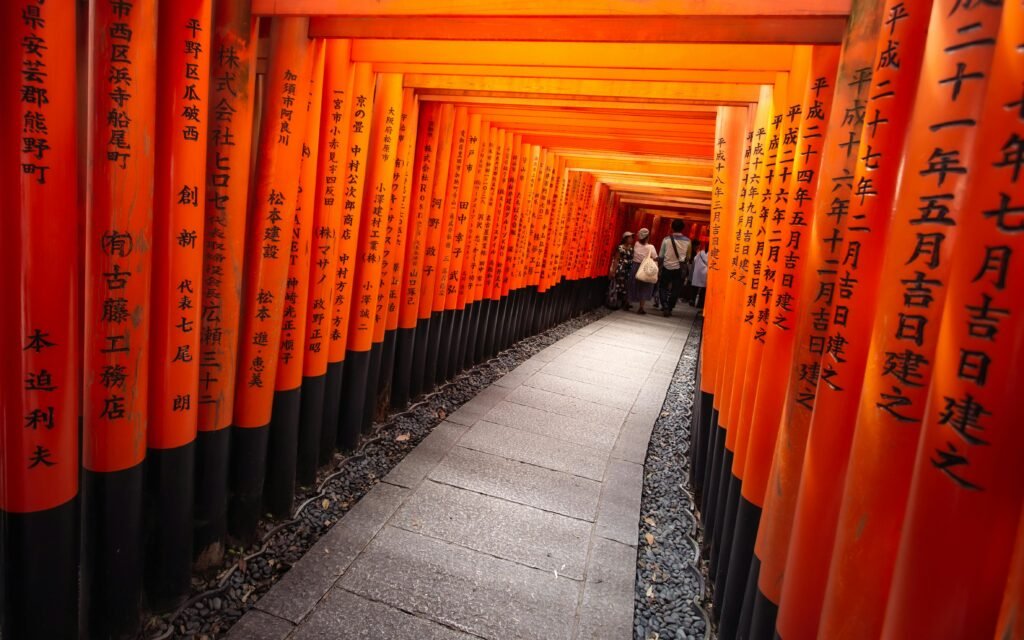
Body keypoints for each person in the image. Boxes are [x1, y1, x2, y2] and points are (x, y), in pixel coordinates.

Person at [657, 219, 692, 317]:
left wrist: (659, 267)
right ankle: (670, 307)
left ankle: (664, 305)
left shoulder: (666, 239)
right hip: (679, 269)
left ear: (672, 227)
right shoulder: (688, 241)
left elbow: (661, 255)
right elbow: (688, 257)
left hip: (666, 267)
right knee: (676, 289)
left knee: (663, 287)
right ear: (683, 229)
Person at [628, 228, 658, 315]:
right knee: (645, 287)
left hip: (635, 266)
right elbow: (655, 257)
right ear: (648, 237)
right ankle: (641, 308)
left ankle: (627, 303)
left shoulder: (636, 244)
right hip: (645, 268)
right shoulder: (651, 247)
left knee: (632, 285)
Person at [606, 231, 634, 310]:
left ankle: (621, 303)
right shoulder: (620, 247)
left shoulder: (631, 248)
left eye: (632, 237)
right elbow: (617, 259)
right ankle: (613, 303)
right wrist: (613, 271)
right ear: (625, 238)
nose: (632, 239)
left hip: (628, 270)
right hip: (621, 269)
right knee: (617, 286)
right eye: (630, 237)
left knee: (625, 286)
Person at [691, 241, 708, 309]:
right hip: (706, 273)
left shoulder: (700, 253)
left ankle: (692, 300)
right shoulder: (712, 254)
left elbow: (695, 260)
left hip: (698, 272)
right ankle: (700, 303)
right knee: (703, 289)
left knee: (695, 287)